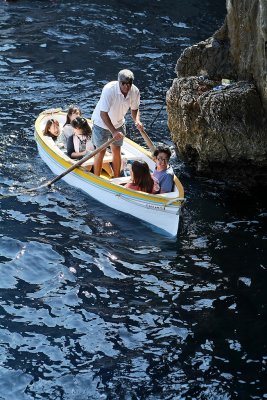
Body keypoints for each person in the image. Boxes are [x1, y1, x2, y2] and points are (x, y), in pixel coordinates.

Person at [91, 69, 143, 177]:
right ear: (119, 82)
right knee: (101, 151)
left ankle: (117, 177)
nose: (126, 86)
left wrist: (137, 120)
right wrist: (113, 131)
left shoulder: (135, 91)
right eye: (123, 83)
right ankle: (97, 178)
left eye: (129, 84)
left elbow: (135, 109)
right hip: (101, 123)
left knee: (117, 149)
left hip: (119, 122)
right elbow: (103, 114)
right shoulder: (109, 90)